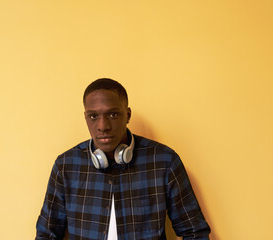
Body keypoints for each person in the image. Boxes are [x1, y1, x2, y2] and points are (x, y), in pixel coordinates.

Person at [35, 78, 211, 240]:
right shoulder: (66, 165)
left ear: (127, 115)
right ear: (86, 117)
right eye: (93, 116)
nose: (103, 126)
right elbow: (47, 235)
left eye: (113, 114)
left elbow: (195, 232)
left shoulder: (164, 161)